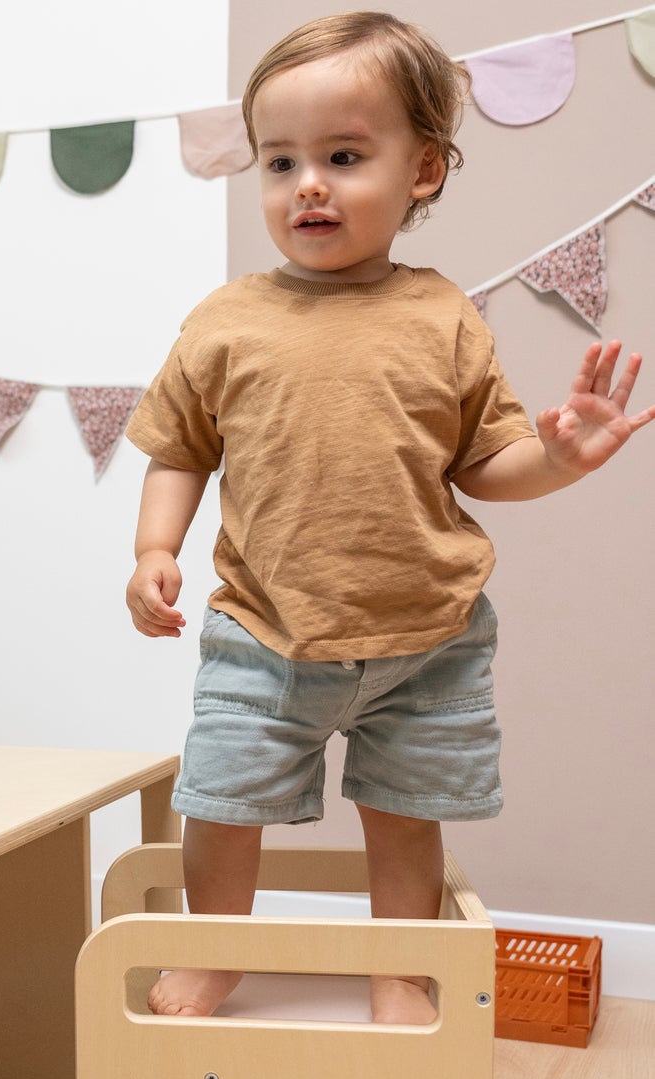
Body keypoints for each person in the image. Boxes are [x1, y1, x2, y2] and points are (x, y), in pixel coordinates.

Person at [123, 12, 654, 1025]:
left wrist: (558, 457)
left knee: (404, 818)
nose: (305, 184)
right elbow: (176, 447)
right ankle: (212, 951)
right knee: (219, 807)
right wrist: (154, 547)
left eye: (341, 155)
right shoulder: (224, 321)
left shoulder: (442, 316)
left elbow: (482, 465)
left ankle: (395, 968)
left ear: (421, 172)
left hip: (427, 638)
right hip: (262, 630)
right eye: (278, 161)